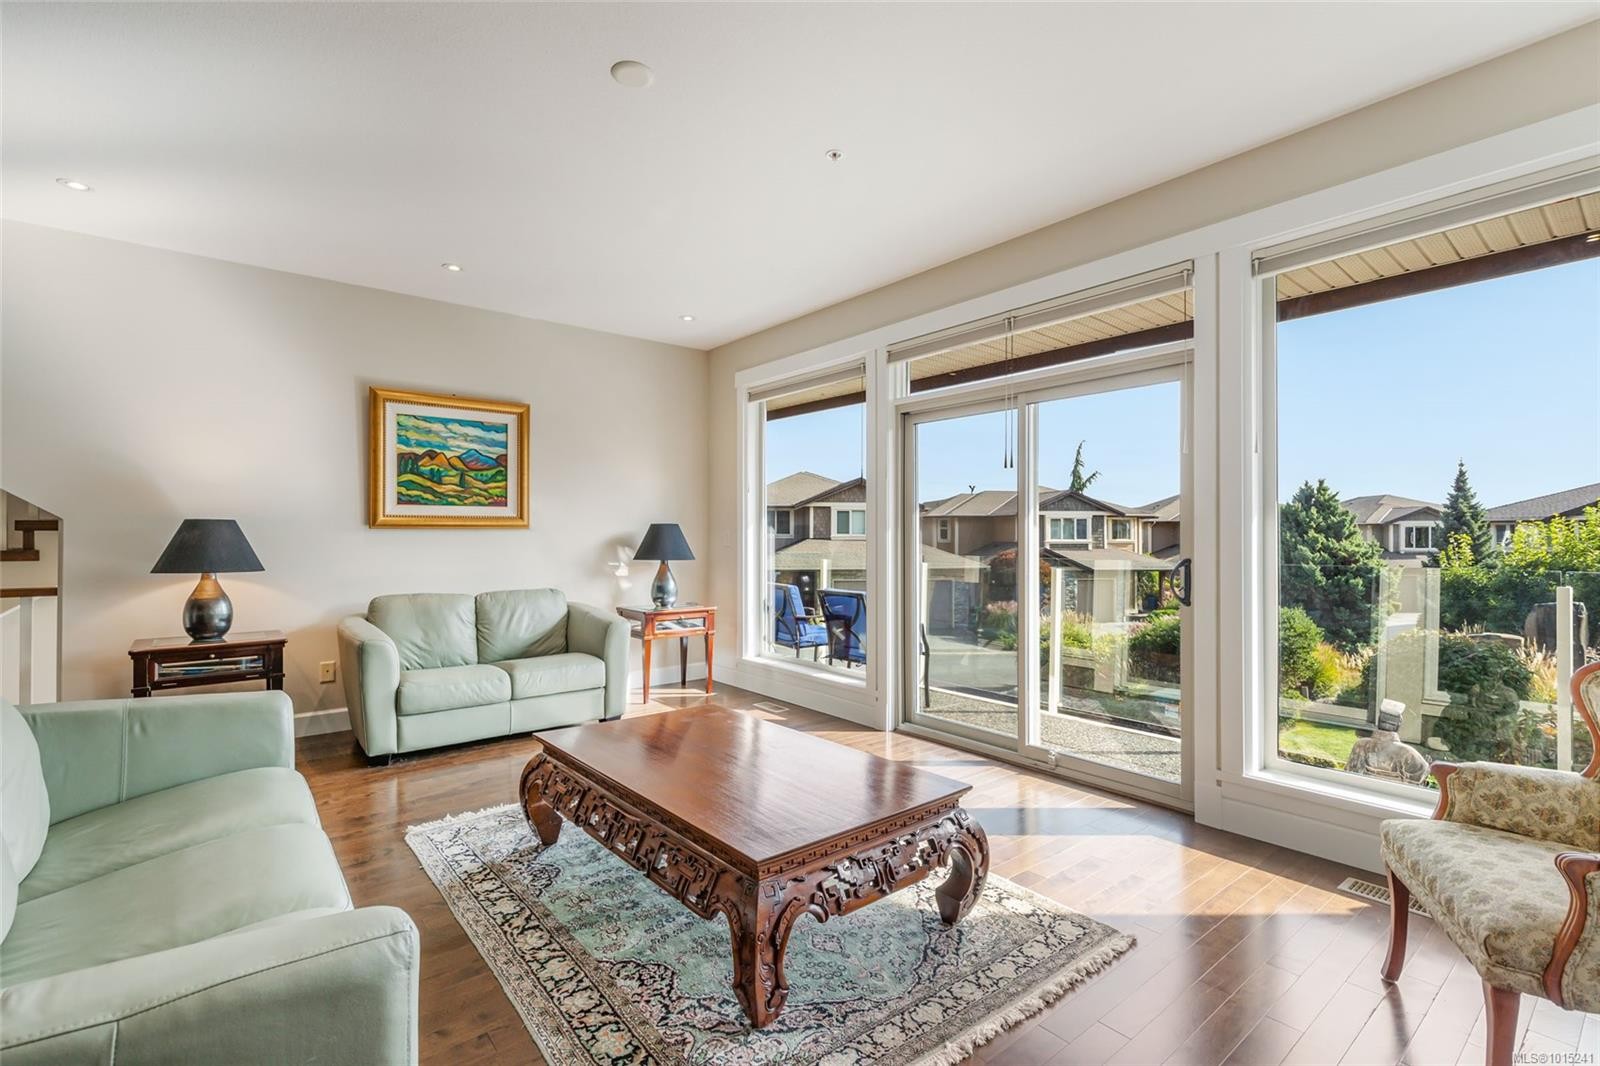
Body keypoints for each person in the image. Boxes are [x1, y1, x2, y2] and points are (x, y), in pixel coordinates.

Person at [1345, 699, 1431, 785]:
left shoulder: (1361, 745)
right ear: (1399, 723)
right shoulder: (1409, 754)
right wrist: (1426, 767)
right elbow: (1418, 783)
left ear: (1379, 720)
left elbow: (1349, 775)